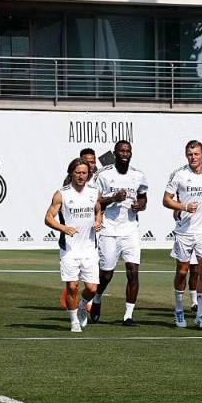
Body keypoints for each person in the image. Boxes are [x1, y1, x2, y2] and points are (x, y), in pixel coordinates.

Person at [163, 141, 202, 329]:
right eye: (190, 154)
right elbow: (166, 200)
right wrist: (183, 207)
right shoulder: (179, 175)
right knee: (182, 271)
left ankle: (200, 314)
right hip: (184, 231)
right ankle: (179, 309)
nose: (193, 157)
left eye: (196, 154)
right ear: (186, 155)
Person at [90, 140, 148, 326]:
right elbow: (94, 201)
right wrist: (113, 198)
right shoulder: (104, 175)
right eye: (121, 151)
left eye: (128, 151)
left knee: (133, 272)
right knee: (106, 274)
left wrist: (141, 205)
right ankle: (97, 296)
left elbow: (143, 197)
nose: (125, 154)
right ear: (115, 153)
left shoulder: (138, 175)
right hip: (109, 228)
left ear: (131, 153)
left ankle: (128, 315)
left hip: (130, 229)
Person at [46, 158, 102, 332]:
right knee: (72, 286)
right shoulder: (62, 194)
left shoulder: (94, 192)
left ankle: (83, 306)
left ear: (88, 174)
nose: (81, 176)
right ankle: (74, 321)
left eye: (84, 173)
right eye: (77, 172)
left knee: (92, 289)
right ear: (71, 173)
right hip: (69, 249)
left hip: (90, 247)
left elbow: (98, 211)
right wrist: (64, 228)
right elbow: (48, 218)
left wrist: (98, 222)